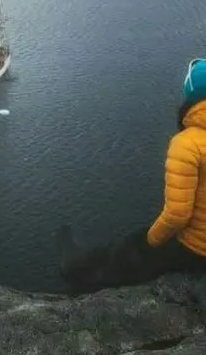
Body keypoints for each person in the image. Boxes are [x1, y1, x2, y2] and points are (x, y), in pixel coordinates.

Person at [58, 58, 206, 295]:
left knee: (131, 249)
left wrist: (150, 243)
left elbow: (178, 215)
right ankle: (81, 265)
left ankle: (80, 281)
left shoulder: (188, 143)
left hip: (197, 249)